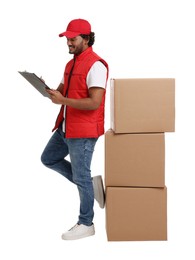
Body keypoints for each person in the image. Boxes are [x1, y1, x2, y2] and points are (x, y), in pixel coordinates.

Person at [41, 18, 109, 240]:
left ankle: (86, 223)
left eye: (73, 38)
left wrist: (63, 100)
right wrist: (47, 90)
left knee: (81, 176)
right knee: (49, 158)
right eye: (67, 38)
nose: (69, 42)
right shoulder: (70, 64)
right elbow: (62, 92)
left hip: (83, 132)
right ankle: (91, 185)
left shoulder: (96, 65)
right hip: (65, 127)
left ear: (86, 39)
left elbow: (94, 103)